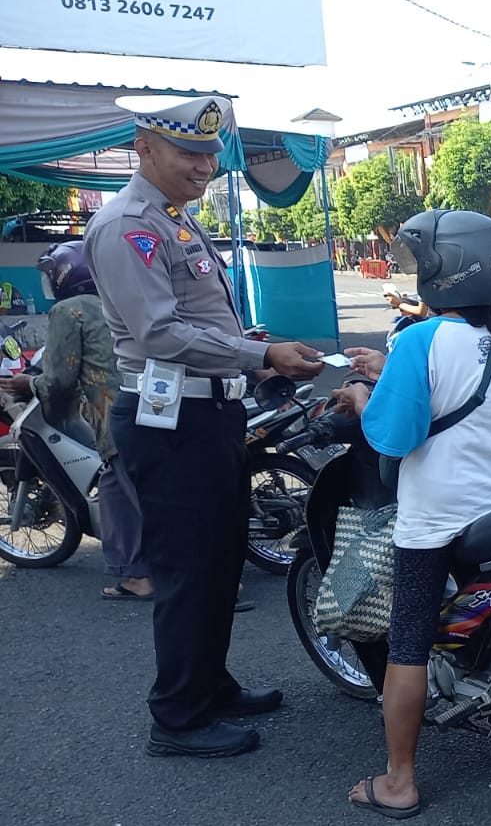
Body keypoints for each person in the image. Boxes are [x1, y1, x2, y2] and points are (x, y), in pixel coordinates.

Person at [87, 94, 325, 758]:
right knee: (188, 567)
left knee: (220, 559)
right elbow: (159, 332)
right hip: (170, 420)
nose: (204, 166)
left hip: (208, 410)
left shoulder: (173, 221)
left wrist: (249, 344)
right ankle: (177, 717)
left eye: (210, 154)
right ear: (145, 147)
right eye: (190, 152)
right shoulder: (127, 226)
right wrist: (260, 354)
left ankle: (209, 684)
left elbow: (195, 321)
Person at [332, 208, 491, 819]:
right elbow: (477, 391)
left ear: (441, 273)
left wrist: (364, 392)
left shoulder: (420, 339)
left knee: (408, 642)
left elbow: (392, 437)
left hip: (440, 518)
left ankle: (399, 779)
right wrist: (391, 371)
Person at [1, 242, 151, 601]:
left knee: (116, 490)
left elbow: (59, 380)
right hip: (158, 406)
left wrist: (27, 383)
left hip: (118, 415)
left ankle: (135, 577)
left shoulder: (70, 310)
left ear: (66, 274)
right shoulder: (118, 299)